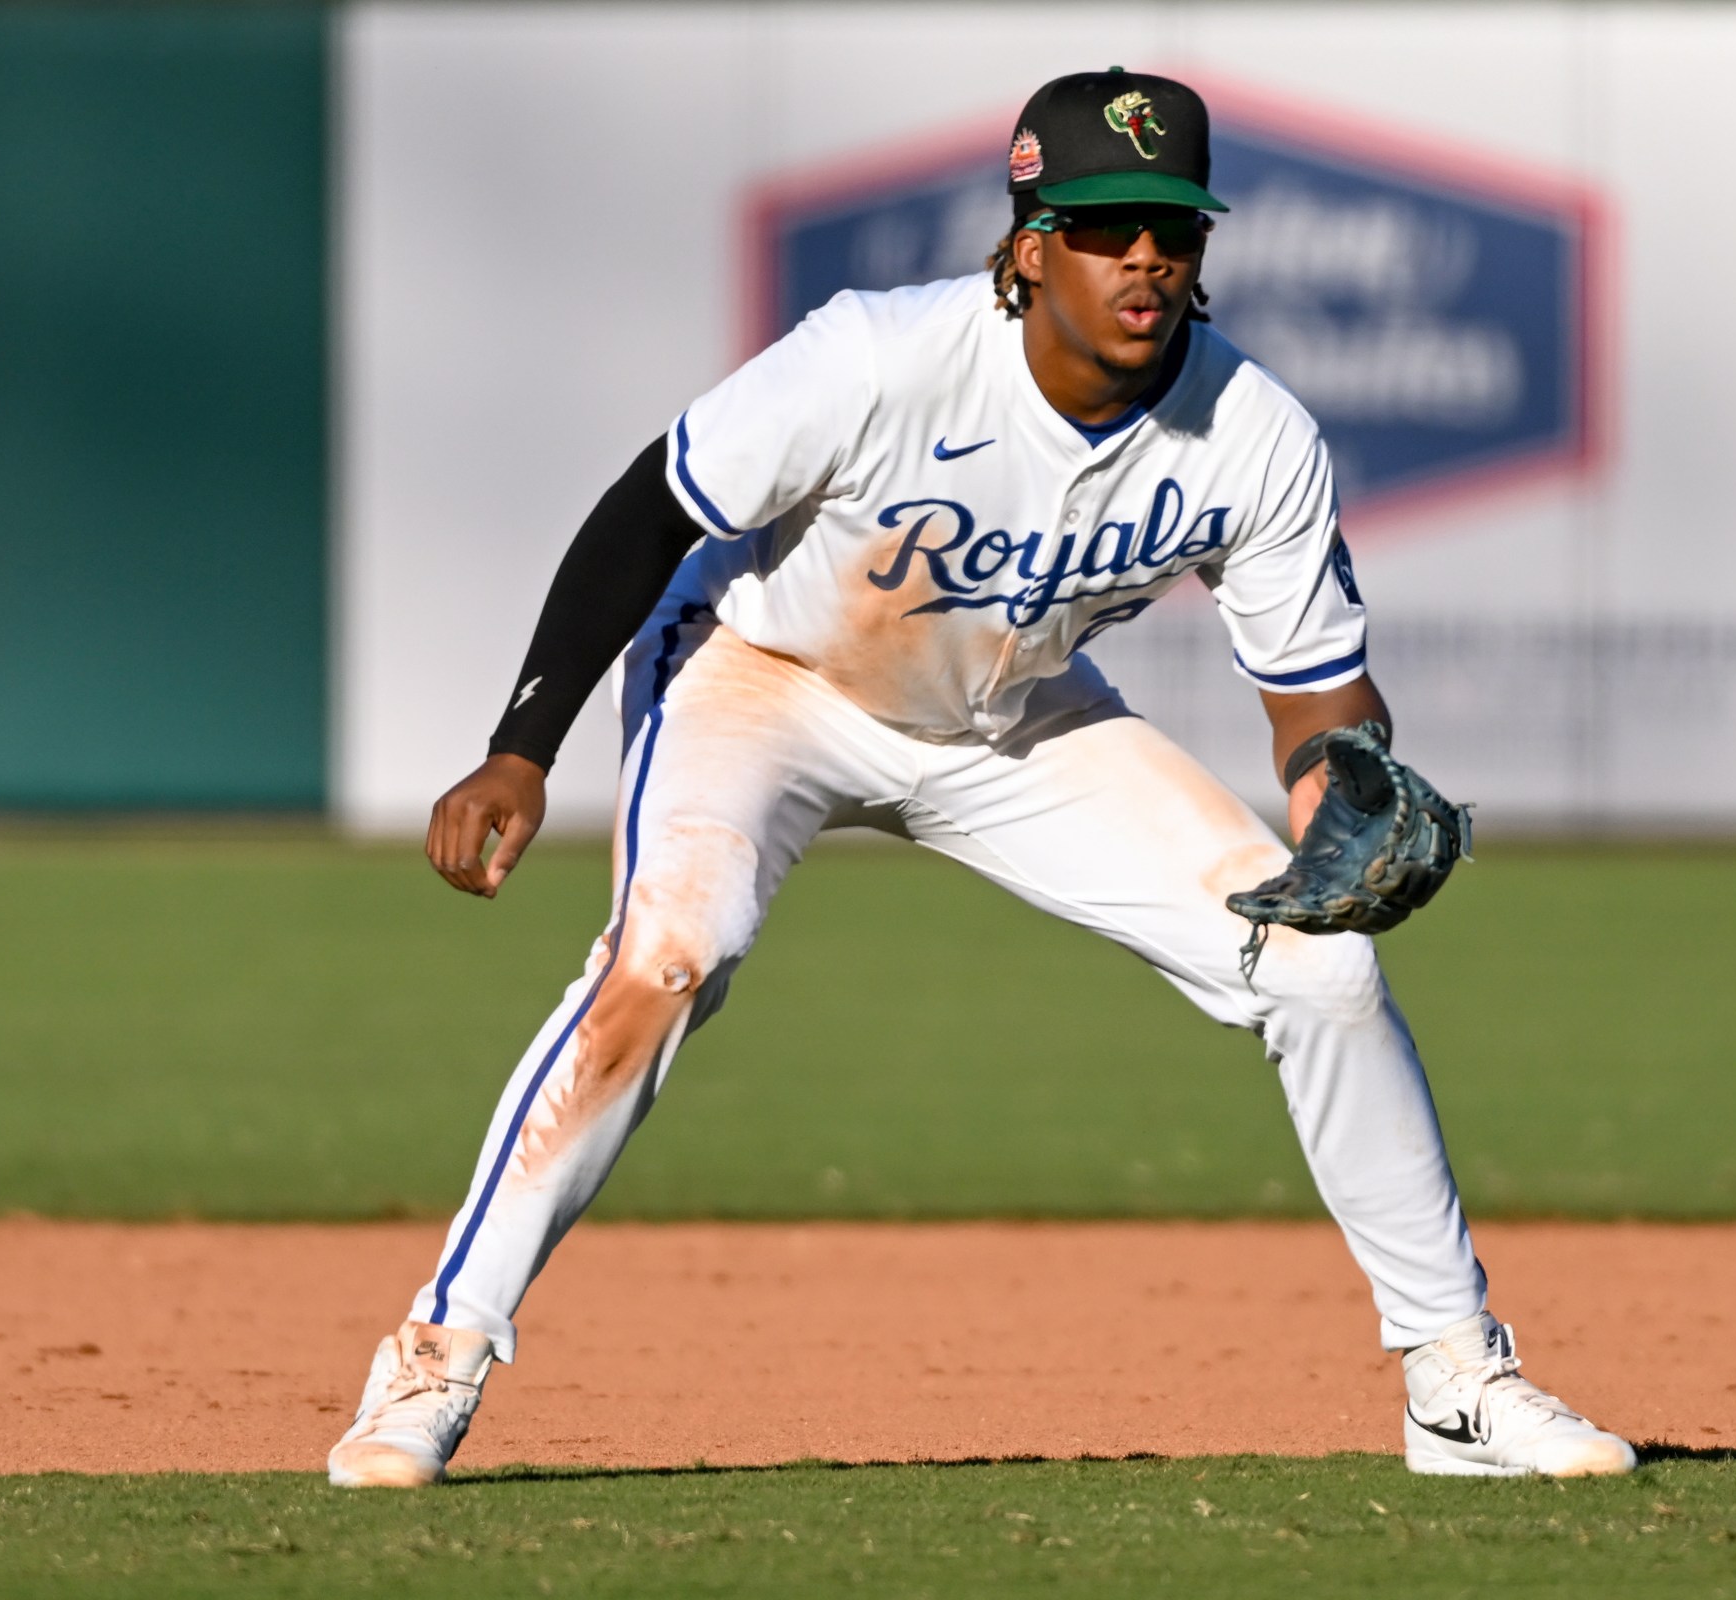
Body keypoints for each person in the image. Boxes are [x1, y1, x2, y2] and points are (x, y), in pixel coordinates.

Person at [326, 67, 1634, 1487]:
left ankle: (1455, 1382)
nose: (1145, 255)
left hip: (1015, 722)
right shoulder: (880, 356)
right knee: (666, 957)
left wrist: (1339, 789)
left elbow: (1314, 696)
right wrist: (524, 745)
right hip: (762, 681)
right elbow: (654, 508)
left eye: (1174, 228)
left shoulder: (1252, 432)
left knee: (1320, 974)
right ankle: (435, 1362)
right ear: (1027, 244)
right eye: (1103, 223)